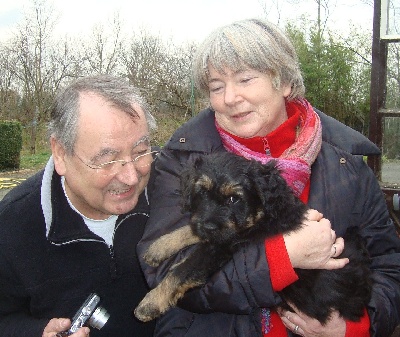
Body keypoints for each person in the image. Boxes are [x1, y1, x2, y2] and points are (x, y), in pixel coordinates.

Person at [137, 18, 400, 337]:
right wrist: (281, 257)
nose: (230, 97)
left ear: (284, 82)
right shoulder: (184, 159)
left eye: (245, 79)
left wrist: (354, 326)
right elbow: (164, 270)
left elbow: (388, 265)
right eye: (217, 86)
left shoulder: (347, 164)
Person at [0, 75, 158, 337]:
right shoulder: (12, 227)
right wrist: (35, 332)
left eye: (140, 151)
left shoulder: (172, 192)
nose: (131, 176)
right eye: (107, 160)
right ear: (61, 153)